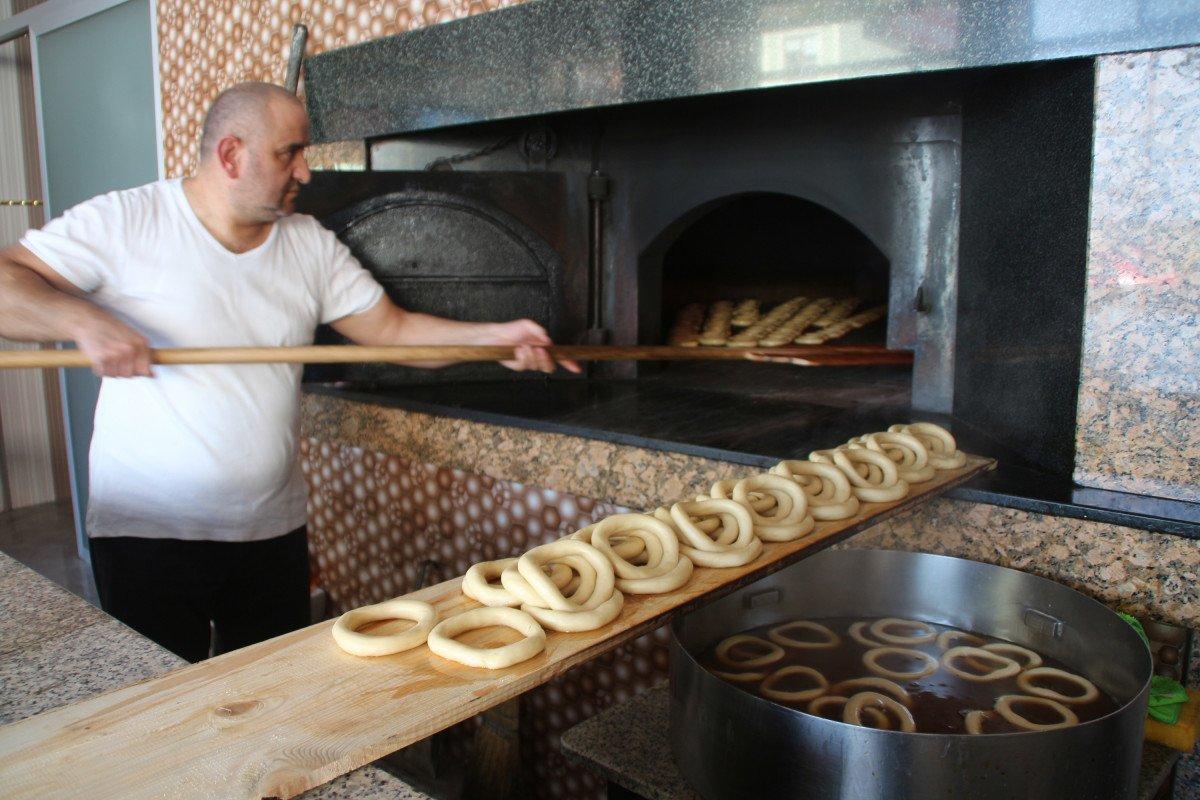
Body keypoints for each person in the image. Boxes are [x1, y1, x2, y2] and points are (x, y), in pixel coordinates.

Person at [0, 81, 579, 662]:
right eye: (289, 153)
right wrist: (81, 319)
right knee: (160, 698)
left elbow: (393, 332)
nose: (305, 171)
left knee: (273, 691)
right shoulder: (128, 220)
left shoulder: (308, 245)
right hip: (147, 531)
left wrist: (494, 340)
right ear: (231, 155)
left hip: (269, 529)